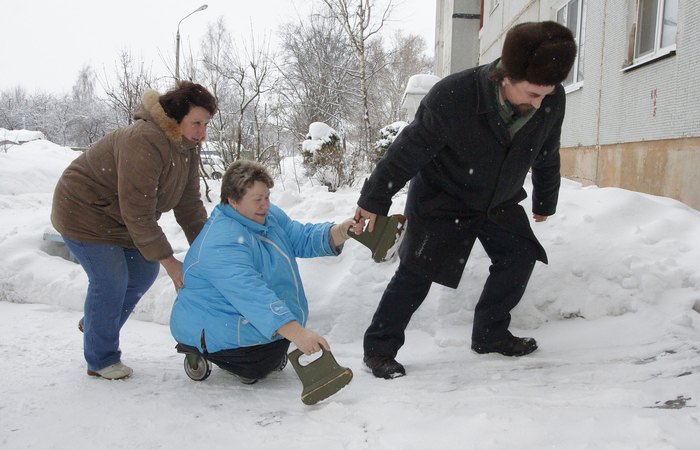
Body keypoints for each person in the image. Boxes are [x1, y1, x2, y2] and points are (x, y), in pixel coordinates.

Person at [353, 21, 577, 379]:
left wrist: (544, 200)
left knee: (519, 255)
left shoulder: (551, 99)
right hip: (445, 198)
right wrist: (374, 198)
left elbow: (547, 150)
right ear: (507, 76)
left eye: (548, 93)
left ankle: (490, 334)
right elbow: (407, 150)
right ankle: (379, 349)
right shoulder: (455, 96)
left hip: (499, 198)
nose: (541, 103)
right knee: (416, 273)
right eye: (534, 93)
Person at [51, 81, 218, 380]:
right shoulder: (144, 140)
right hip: (83, 211)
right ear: (176, 116)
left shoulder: (187, 147)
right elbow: (139, 213)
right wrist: (170, 262)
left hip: (120, 218)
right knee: (111, 280)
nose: (202, 131)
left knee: (143, 273)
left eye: (206, 124)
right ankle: (100, 359)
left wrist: (208, 251)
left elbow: (190, 206)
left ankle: (96, 323)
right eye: (197, 122)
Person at [169, 160, 360, 384]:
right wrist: (297, 333)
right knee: (260, 363)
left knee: (273, 345)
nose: (265, 205)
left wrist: (340, 232)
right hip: (216, 327)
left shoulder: (265, 216)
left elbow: (299, 236)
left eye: (267, 197)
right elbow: (251, 294)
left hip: (247, 321)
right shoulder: (221, 242)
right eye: (257, 199)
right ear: (232, 200)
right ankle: (236, 359)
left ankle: (267, 350)